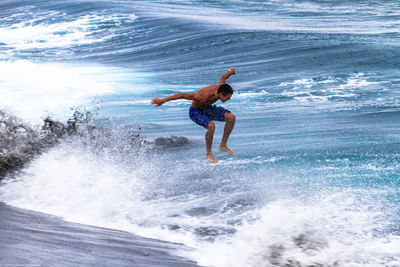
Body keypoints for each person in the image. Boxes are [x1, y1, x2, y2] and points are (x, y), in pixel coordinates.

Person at [151, 67, 236, 163]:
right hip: (195, 112)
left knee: (231, 117)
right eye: (228, 97)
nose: (229, 99)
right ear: (221, 94)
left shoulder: (221, 87)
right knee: (211, 126)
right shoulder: (202, 96)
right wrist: (162, 100)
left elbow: (223, 78)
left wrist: (230, 72)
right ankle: (209, 153)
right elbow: (181, 95)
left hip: (207, 108)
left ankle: (223, 145)